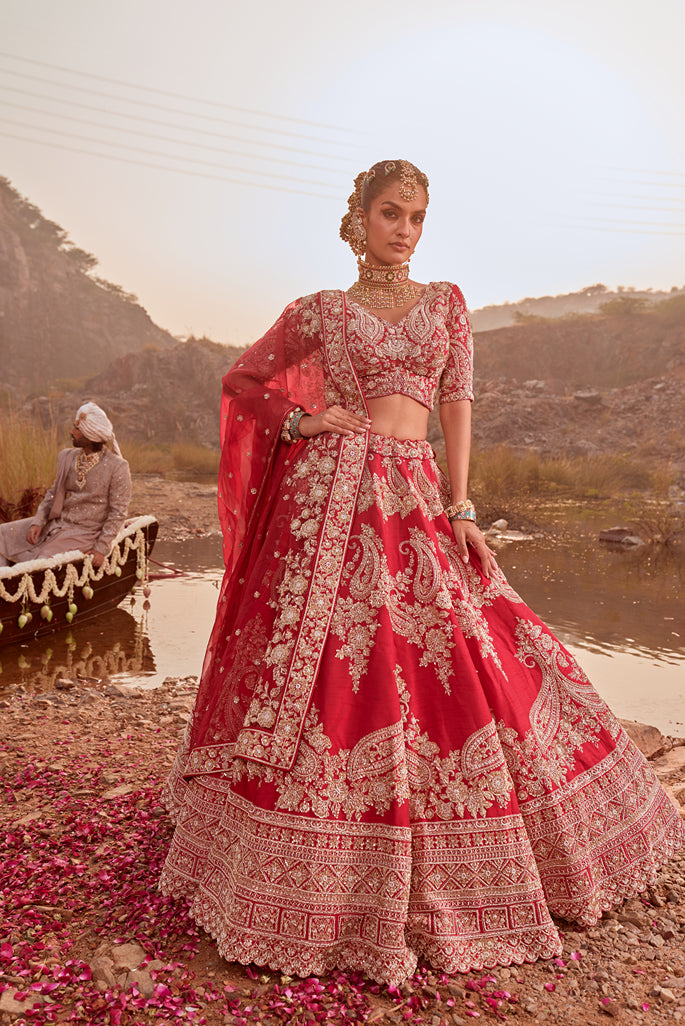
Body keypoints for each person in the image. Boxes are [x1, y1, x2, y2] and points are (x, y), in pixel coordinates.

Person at [160, 160, 684, 986]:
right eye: (389, 213)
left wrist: (463, 505)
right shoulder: (320, 310)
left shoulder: (445, 302)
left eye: (415, 217)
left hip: (415, 488)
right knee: (340, 664)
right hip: (333, 495)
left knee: (466, 642)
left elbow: (456, 405)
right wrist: (303, 421)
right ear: (358, 219)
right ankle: (308, 867)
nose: (402, 230)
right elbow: (243, 381)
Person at [0, 402, 131, 569]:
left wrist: (101, 548)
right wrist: (38, 522)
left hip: (88, 533)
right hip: (57, 524)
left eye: (77, 428)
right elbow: (53, 494)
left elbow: (118, 512)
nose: (71, 432)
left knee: (43, 560)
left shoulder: (117, 466)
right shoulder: (67, 457)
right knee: (3, 533)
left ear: (90, 434)